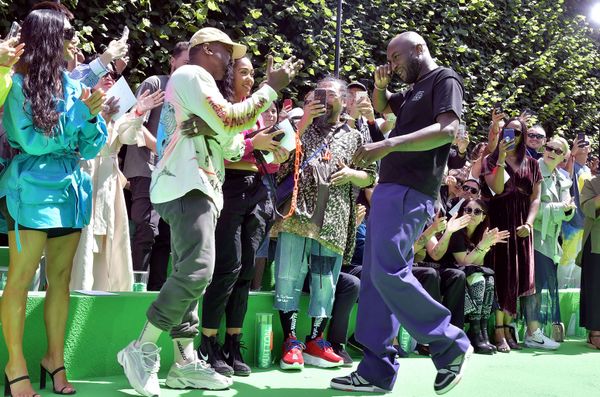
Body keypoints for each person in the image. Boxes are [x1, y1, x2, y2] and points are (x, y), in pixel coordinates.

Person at [117, 27, 301, 396]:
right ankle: (141, 347)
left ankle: (185, 364)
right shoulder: (190, 74)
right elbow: (232, 123)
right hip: (188, 185)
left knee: (189, 273)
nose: (229, 61)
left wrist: (218, 128)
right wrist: (271, 87)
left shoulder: (206, 89)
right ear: (205, 50)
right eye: (224, 53)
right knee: (200, 271)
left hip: (200, 188)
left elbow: (233, 147)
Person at [331, 32, 472, 395]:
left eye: (396, 58)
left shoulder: (444, 79)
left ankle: (449, 342)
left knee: (389, 272)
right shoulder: (413, 90)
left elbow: (447, 130)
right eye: (389, 59)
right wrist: (380, 89)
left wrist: (389, 142)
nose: (392, 65)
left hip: (411, 190)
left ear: (419, 49)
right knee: (379, 277)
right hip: (390, 190)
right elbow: (385, 107)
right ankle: (376, 370)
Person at [0, 10, 108, 397]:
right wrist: (81, 116)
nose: (73, 40)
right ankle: (15, 364)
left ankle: (54, 359)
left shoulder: (73, 86)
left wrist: (93, 118)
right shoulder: (15, 85)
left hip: (71, 194)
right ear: (48, 38)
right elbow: (31, 143)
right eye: (67, 33)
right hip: (30, 192)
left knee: (60, 281)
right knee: (20, 279)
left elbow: (92, 145)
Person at [272, 76, 376, 370]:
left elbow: (371, 175)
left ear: (345, 101)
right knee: (288, 276)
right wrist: (302, 123)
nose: (324, 99)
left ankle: (316, 341)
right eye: (320, 94)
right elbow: (277, 159)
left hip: (332, 219)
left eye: (330, 94)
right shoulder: (296, 127)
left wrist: (351, 175)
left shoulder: (356, 136)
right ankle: (290, 341)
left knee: (324, 281)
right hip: (296, 216)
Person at [199, 56, 288, 377]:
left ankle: (233, 343)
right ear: (229, 75)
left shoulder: (259, 109)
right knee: (228, 267)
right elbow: (223, 147)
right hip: (230, 184)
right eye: (243, 73)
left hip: (260, 188)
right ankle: (208, 341)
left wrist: (277, 149)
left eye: (253, 74)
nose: (249, 79)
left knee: (247, 269)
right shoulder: (222, 105)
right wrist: (255, 142)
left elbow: (265, 150)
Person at [70, 65, 165, 291]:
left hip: (109, 182)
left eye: (112, 75)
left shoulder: (118, 111)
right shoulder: (76, 107)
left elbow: (130, 136)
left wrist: (139, 113)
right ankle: (78, 289)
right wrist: (97, 116)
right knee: (83, 239)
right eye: (103, 75)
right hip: (85, 175)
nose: (109, 78)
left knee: (110, 239)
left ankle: (107, 292)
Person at [481, 118, 558, 351]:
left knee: (519, 275)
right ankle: (498, 330)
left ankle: (510, 327)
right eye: (508, 131)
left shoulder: (533, 164)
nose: (511, 135)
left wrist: (529, 223)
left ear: (523, 135)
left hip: (522, 225)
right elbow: (496, 188)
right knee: (501, 274)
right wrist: (502, 158)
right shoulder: (491, 159)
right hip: (499, 220)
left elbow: (535, 197)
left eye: (517, 132)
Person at [124, 41, 189, 291]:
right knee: (146, 230)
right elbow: (135, 123)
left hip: (174, 175)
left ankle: (156, 292)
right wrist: (164, 152)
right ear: (172, 61)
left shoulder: (190, 94)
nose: (188, 69)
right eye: (185, 62)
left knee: (166, 236)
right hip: (146, 169)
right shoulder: (155, 83)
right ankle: (134, 289)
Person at [436, 199, 509, 354]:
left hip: (465, 272)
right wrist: (482, 245)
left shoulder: (479, 233)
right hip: (450, 274)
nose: (472, 214)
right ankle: (475, 332)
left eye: (477, 212)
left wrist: (486, 245)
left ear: (483, 217)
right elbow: (463, 263)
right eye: (468, 210)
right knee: (479, 280)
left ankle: (481, 332)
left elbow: (478, 264)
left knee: (488, 279)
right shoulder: (456, 233)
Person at [528, 137, 574, 344]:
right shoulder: (531, 169)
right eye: (549, 148)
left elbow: (567, 211)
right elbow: (529, 208)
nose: (552, 152)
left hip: (550, 240)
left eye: (558, 150)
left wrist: (567, 210)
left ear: (564, 157)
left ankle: (535, 331)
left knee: (540, 286)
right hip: (531, 236)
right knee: (533, 286)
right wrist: (560, 209)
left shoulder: (563, 178)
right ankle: (532, 333)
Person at [578, 175, 600, 349]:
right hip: (596, 244)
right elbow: (587, 208)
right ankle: (595, 332)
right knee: (594, 289)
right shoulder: (592, 183)